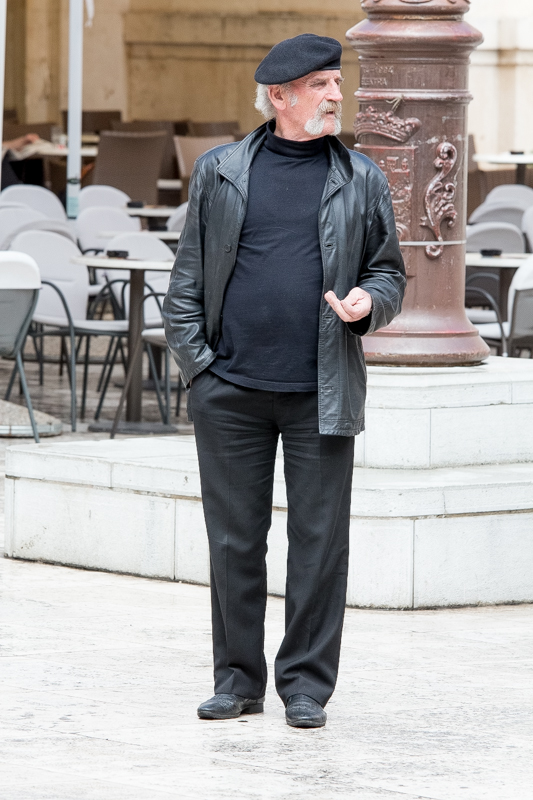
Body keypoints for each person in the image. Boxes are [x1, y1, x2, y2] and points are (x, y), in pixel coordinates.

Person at [163, 33, 406, 728]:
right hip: (229, 391)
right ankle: (237, 681)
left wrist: (368, 303)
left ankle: (304, 686)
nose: (336, 94)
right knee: (233, 543)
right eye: (321, 84)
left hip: (320, 392)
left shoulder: (362, 177)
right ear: (280, 96)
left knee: (319, 546)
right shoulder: (219, 171)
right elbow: (185, 282)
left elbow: (388, 272)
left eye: (336, 82)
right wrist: (201, 369)